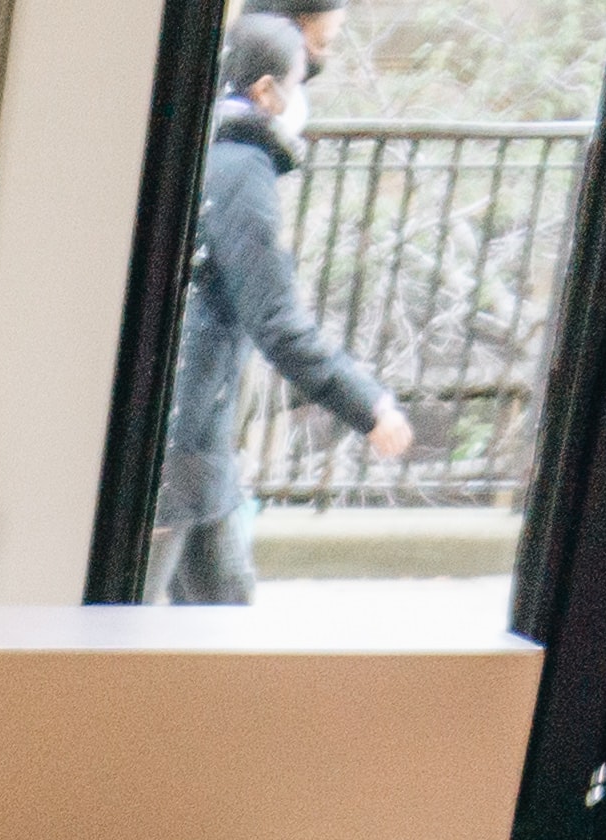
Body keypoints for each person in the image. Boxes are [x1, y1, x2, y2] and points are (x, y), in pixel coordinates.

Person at [153, 13, 411, 609]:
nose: (302, 98)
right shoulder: (242, 172)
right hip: (187, 430)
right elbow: (277, 321)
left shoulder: (208, 150)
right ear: (266, 91)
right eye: (298, 80)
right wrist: (367, 404)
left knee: (221, 606)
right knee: (165, 616)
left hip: (195, 429)